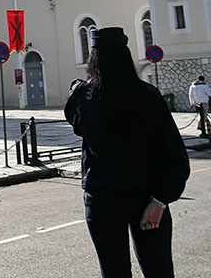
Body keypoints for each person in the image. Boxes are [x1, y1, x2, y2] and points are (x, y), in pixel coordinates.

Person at [65, 27, 190, 278]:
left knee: (114, 271)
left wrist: (81, 88)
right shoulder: (148, 96)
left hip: (102, 200)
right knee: (158, 269)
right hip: (147, 197)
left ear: (93, 59)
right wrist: (160, 200)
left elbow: (74, 120)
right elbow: (173, 153)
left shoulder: (85, 98)